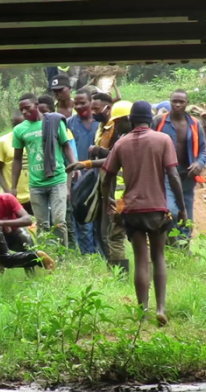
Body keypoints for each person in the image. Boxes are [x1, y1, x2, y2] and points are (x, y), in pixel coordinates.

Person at [102, 101, 186, 326]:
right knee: (158, 258)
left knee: (141, 260)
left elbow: (107, 176)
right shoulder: (162, 140)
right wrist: (183, 208)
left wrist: (107, 199)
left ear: (130, 120)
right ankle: (161, 308)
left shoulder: (121, 143)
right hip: (157, 209)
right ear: (151, 119)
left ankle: (143, 312)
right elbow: (174, 176)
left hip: (132, 211)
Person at [67, 97, 133, 274]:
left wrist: (88, 162)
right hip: (116, 189)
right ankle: (120, 273)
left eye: (117, 122)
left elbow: (112, 159)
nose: (115, 126)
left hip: (121, 192)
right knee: (110, 232)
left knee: (113, 233)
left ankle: (120, 276)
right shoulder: (129, 136)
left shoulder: (127, 140)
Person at [11, 93, 77, 247]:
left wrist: (74, 164)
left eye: (27, 108)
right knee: (42, 225)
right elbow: (17, 159)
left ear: (36, 105)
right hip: (36, 184)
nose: (25, 112)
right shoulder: (19, 130)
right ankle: (47, 257)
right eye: (22, 110)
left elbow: (66, 145)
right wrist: (13, 187)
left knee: (59, 222)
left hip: (57, 179)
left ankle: (62, 259)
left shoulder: (54, 122)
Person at [152, 89, 206, 248]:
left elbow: (203, 150)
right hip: (165, 174)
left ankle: (183, 251)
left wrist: (199, 163)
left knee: (187, 216)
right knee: (172, 211)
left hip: (187, 176)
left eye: (181, 102)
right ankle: (172, 245)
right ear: (170, 102)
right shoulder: (159, 121)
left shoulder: (195, 124)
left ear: (186, 104)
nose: (177, 105)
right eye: (174, 101)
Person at [66, 88, 100, 254]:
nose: (79, 106)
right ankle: (88, 255)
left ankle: (100, 253)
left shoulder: (100, 123)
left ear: (90, 102)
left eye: (83, 103)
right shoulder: (69, 123)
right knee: (83, 217)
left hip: (97, 177)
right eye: (76, 103)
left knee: (99, 218)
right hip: (77, 178)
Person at [0, 111, 32, 214]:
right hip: (12, 198)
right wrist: (7, 192)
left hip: (34, 195)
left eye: (22, 124)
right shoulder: (2, 141)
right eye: (15, 124)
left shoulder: (32, 139)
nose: (18, 128)